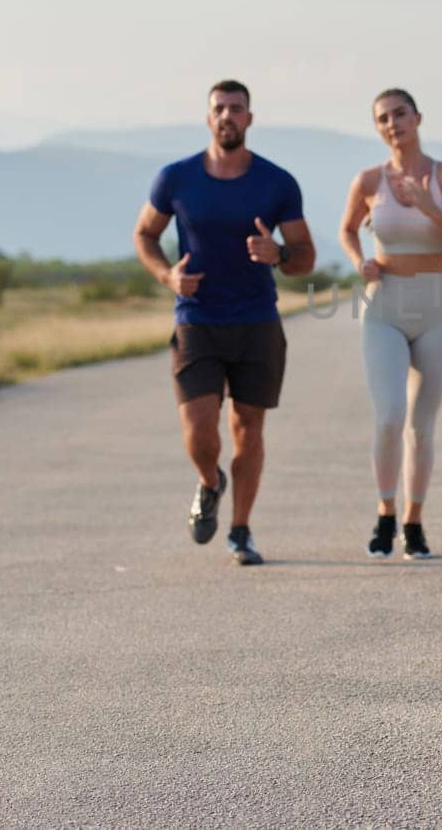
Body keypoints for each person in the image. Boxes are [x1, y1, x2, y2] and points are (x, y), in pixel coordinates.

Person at [133, 79, 316, 566]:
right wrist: (166, 274)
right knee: (198, 428)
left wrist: (278, 253)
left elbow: (305, 258)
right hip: (197, 318)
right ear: (208, 117)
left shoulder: (277, 182)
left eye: (237, 108)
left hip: (257, 320)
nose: (227, 116)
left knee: (248, 428)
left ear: (250, 119)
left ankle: (240, 529)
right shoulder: (175, 178)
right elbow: (145, 235)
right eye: (219, 108)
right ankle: (211, 481)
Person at [338, 88, 442, 561]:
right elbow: (347, 229)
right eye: (383, 119)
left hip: (434, 306)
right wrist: (358, 261)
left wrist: (426, 205)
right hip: (384, 307)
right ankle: (384, 513)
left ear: (417, 117)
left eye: (400, 114)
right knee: (389, 417)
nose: (393, 124)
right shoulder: (369, 180)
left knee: (422, 426)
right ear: (378, 128)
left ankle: (413, 522)